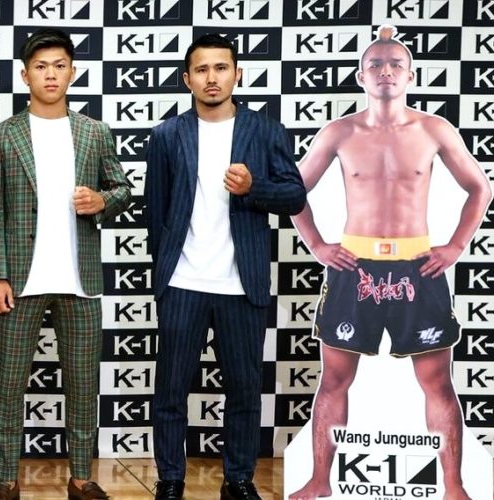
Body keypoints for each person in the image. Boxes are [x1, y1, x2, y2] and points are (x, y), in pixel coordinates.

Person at [287, 25, 490, 500]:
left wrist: (456, 246)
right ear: (361, 76)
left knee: (437, 382)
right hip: (353, 267)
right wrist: (317, 245)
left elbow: (480, 188)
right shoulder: (339, 131)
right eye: (375, 64)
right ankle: (320, 481)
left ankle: (454, 486)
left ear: (411, 75)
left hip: (418, 267)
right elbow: (294, 191)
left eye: (396, 64)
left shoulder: (435, 129)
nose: (385, 71)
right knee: (334, 379)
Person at [144, 34, 307, 500]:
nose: (211, 78)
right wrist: (164, 272)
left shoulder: (265, 130)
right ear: (187, 79)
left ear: (237, 74)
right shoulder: (167, 135)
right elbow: (155, 211)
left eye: (220, 68)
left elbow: (295, 196)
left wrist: (255, 188)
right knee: (170, 391)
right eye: (201, 69)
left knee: (244, 391)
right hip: (183, 281)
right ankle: (170, 479)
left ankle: (238, 480)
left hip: (242, 283)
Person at [0, 28, 132, 500]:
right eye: (41, 66)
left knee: (84, 385)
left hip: (79, 280)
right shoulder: (1, 135)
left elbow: (122, 189)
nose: (51, 74)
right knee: (9, 385)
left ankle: (82, 477)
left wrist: (101, 201)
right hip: (19, 281)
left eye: (59, 65)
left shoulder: (94, 131)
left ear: (73, 72)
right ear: (25, 75)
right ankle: (6, 478)